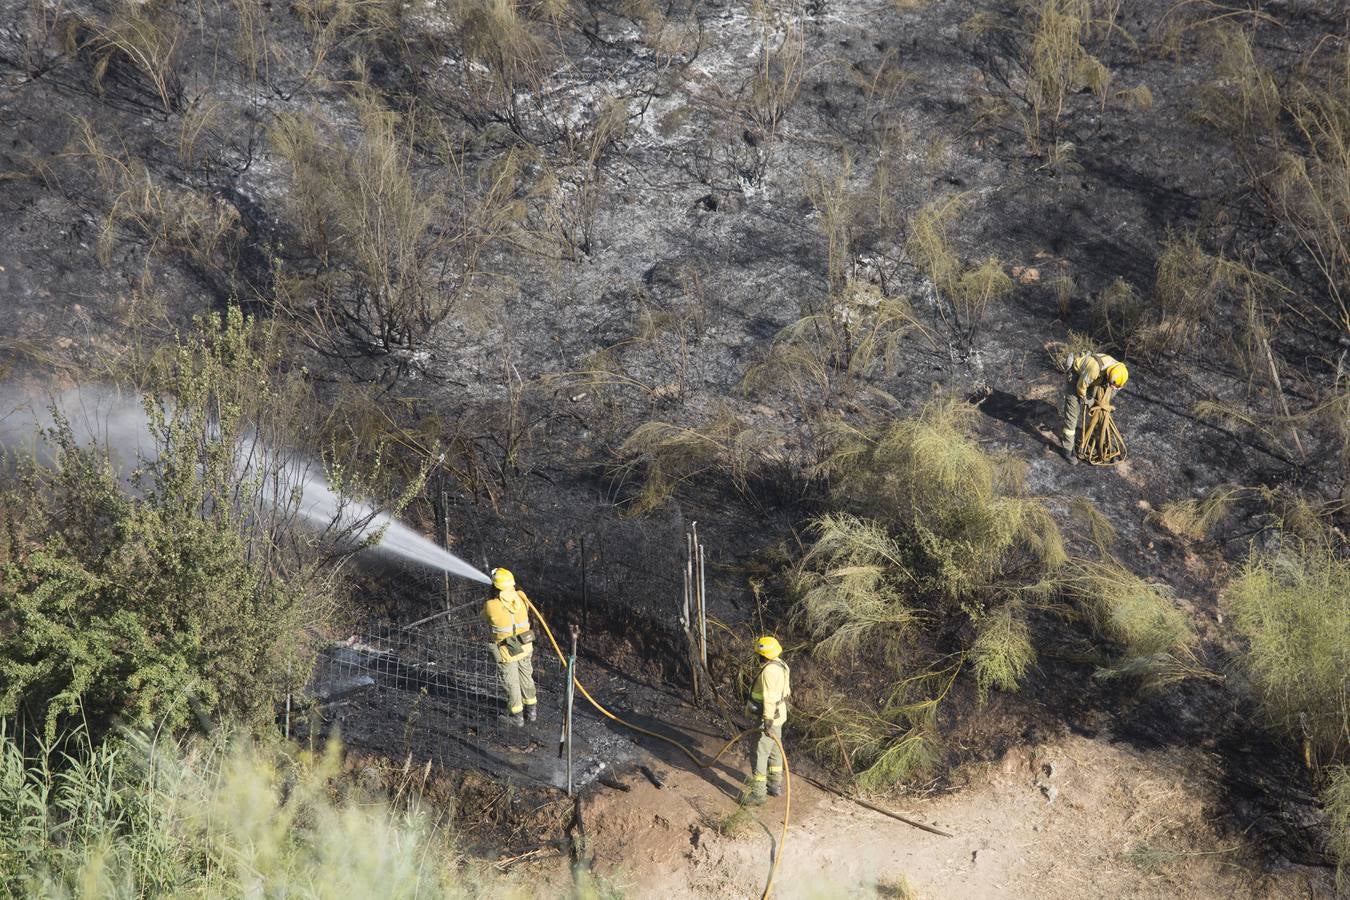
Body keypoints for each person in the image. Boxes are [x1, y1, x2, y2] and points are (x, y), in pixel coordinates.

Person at [483, 567, 537, 726]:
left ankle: (517, 717)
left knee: (511, 681)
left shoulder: (491, 605)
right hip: (525, 644)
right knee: (526, 676)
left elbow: (485, 617)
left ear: (495, 586)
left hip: (507, 649)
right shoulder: (521, 597)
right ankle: (532, 712)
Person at [744, 635, 790, 805]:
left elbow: (769, 697)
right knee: (775, 751)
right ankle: (774, 785)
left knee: (759, 753)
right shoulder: (781, 665)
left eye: (758, 654)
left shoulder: (770, 671)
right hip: (779, 715)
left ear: (763, 655)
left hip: (768, 717)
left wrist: (767, 720)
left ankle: (758, 794)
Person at [1061, 350, 1128, 465]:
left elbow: (1112, 389)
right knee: (1072, 415)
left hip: (1094, 380)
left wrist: (1103, 405)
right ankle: (1067, 449)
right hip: (1076, 378)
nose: (1113, 387)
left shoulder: (1118, 369)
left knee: (1100, 412)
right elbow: (1081, 388)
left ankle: (1099, 440)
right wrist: (1088, 400)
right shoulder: (1094, 369)